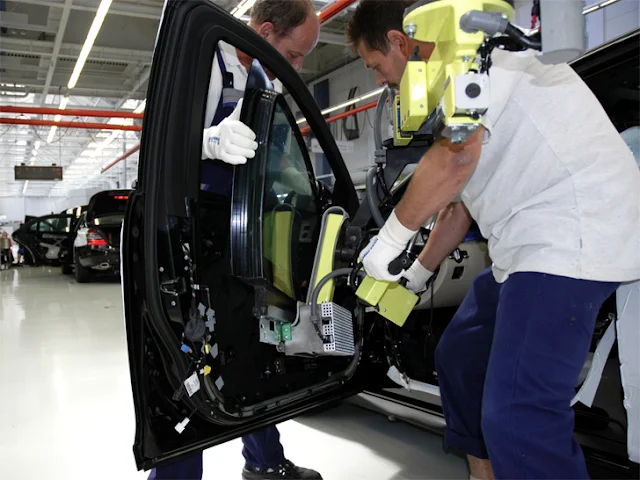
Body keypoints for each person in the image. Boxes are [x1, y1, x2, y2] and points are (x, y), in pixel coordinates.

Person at [347, 1, 640, 479]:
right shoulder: (449, 82)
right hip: (527, 245)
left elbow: (455, 161)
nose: (381, 81)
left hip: (571, 234)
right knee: (460, 357)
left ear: (399, 42)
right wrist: (416, 273)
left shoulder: (482, 56)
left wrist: (389, 240)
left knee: (520, 420)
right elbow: (459, 204)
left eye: (376, 65)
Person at [149, 1, 322, 480]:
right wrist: (208, 141)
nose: (296, 65)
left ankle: (264, 461)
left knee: (250, 348)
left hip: (240, 232)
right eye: (294, 53)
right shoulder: (204, 59)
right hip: (190, 237)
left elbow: (273, 161)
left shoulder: (265, 82)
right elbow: (159, 139)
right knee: (192, 360)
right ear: (264, 32)